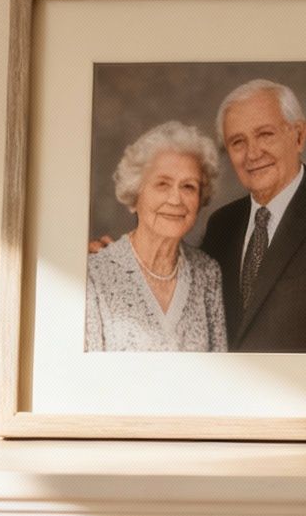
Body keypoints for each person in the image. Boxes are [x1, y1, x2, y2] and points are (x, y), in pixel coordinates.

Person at [199, 80, 306, 353]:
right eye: (238, 142)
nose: (253, 154)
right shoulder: (221, 225)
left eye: (265, 134)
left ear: (299, 136)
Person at [85, 122, 227, 352]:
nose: (175, 199)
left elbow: (222, 373)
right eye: (163, 184)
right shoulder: (94, 274)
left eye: (188, 187)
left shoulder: (208, 274)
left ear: (201, 199)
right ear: (134, 195)